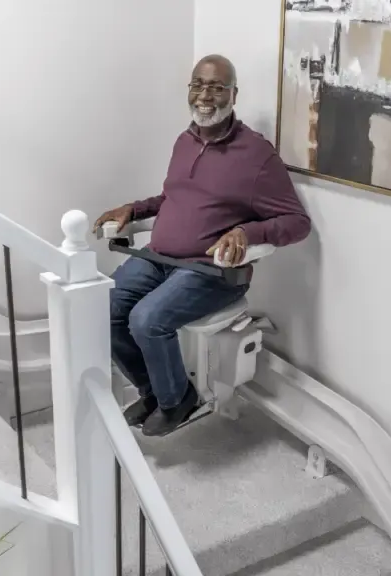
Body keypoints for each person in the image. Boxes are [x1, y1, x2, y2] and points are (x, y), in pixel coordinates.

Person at [93, 54, 312, 437]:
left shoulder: (256, 155)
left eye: (216, 86)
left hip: (212, 271)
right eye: (198, 84)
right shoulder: (185, 140)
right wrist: (135, 208)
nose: (205, 95)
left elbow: (297, 223)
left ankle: (179, 400)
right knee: (104, 308)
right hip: (159, 259)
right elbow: (173, 198)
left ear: (233, 94)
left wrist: (248, 233)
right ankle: (154, 391)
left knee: (146, 320)